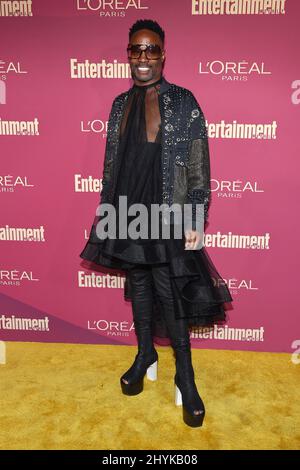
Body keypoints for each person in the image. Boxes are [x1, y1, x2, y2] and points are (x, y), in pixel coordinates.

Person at [80, 19, 233, 428]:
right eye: (136, 49)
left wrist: (197, 212)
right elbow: (112, 164)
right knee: (141, 287)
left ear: (163, 54)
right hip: (127, 210)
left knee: (171, 294)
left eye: (151, 50)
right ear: (128, 53)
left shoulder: (184, 100)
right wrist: (105, 211)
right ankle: (145, 352)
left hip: (167, 212)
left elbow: (199, 160)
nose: (143, 57)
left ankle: (185, 376)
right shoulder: (117, 104)